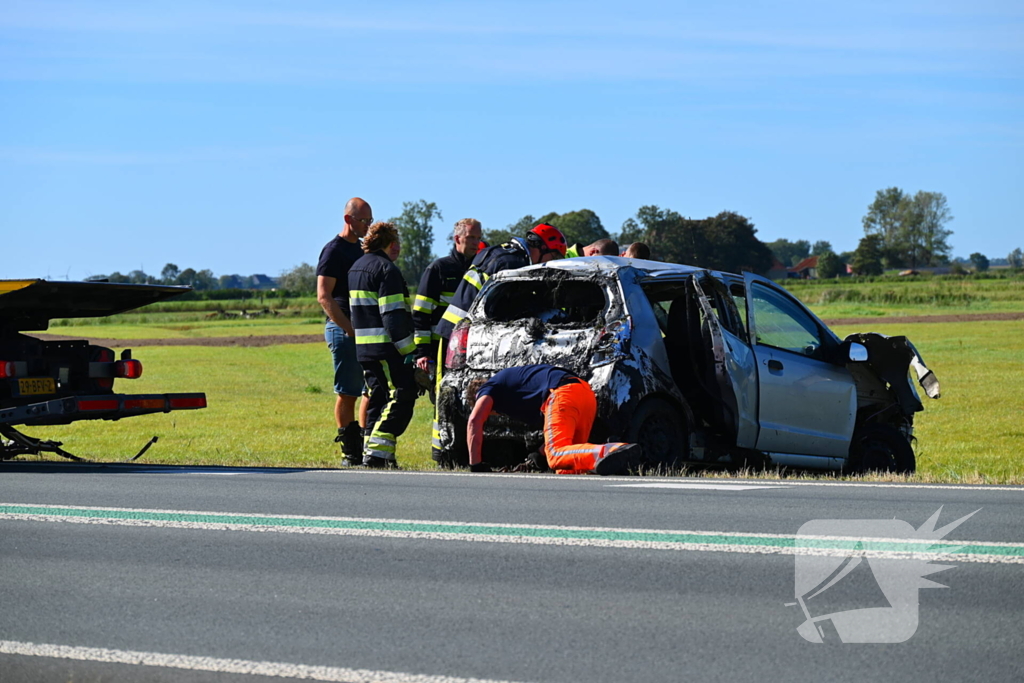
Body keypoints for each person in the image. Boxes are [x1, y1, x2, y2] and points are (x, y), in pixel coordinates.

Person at [431, 223, 568, 463]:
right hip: (462, 335)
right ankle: (443, 454)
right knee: (447, 399)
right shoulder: (512, 265)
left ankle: (448, 452)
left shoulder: (501, 252)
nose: (547, 263)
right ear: (541, 248)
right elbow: (509, 308)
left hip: (457, 331)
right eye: (552, 256)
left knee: (451, 395)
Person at [465, 364, 642, 475]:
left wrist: (476, 465)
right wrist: (538, 455)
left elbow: (474, 421)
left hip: (562, 394)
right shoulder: (515, 389)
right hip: (584, 393)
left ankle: (613, 450)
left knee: (556, 455)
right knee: (568, 467)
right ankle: (616, 461)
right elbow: (558, 432)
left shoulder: (488, 388)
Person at [347, 222, 419, 468]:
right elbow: (393, 315)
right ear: (386, 243)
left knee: (378, 398)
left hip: (364, 348)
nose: (398, 247)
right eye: (395, 242)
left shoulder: (356, 267)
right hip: (386, 347)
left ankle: (374, 452)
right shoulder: (387, 270)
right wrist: (410, 349)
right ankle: (377, 453)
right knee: (401, 394)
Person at [317, 197, 373, 466]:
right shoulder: (333, 251)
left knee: (369, 390)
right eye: (364, 221)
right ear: (348, 220)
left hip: (363, 330)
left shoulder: (362, 250)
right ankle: (350, 452)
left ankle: (365, 446)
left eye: (370, 221)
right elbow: (324, 296)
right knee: (348, 392)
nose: (367, 226)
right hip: (344, 329)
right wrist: (348, 329)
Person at [412, 218, 483, 373]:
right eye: (471, 237)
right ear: (457, 238)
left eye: (478, 238)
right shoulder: (438, 269)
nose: (476, 242)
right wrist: (422, 352)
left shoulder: (480, 270)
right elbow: (421, 314)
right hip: (441, 347)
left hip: (472, 347)